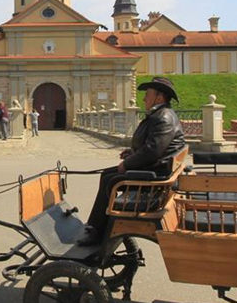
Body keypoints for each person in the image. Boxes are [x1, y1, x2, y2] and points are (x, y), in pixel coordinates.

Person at [79, 76, 186, 246]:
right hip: (156, 169)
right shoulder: (160, 114)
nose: (144, 98)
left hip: (156, 176)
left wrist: (127, 164)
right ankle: (97, 226)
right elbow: (152, 146)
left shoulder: (163, 117)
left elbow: (153, 151)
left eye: (148, 94)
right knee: (107, 175)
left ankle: (96, 231)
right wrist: (133, 152)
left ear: (159, 97)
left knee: (111, 180)